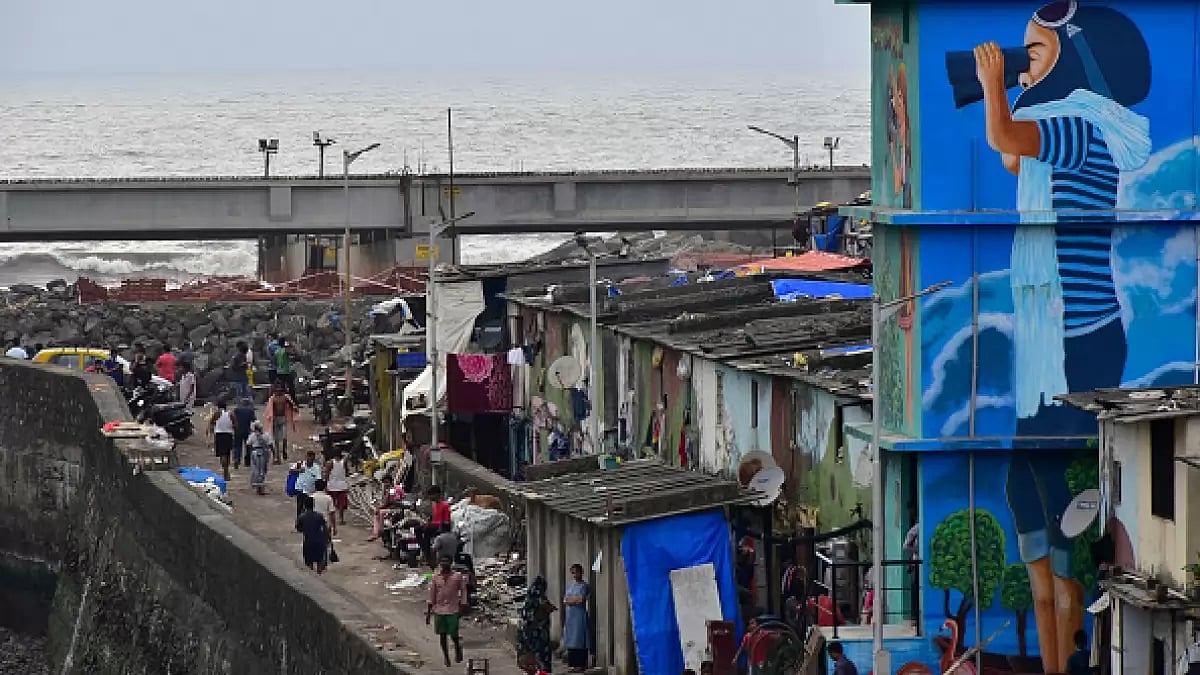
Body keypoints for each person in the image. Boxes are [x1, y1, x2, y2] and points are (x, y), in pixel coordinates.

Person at [426, 554, 467, 667]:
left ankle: (457, 648)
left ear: (451, 562)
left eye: (447, 561)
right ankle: (446, 656)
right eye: (442, 561)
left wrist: (463, 605)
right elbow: (432, 595)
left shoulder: (457, 576)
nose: (444, 563)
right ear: (440, 563)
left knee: (454, 634)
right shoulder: (436, 577)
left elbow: (463, 591)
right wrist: (429, 613)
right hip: (439, 610)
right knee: (442, 635)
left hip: (453, 609)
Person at [516, 576, 555, 673]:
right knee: (539, 653)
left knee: (530, 655)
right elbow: (549, 608)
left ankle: (532, 669)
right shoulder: (540, 599)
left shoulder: (529, 598)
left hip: (527, 633)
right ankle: (540, 670)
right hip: (538, 633)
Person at [563, 562, 591, 672]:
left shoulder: (584, 586)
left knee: (579, 639)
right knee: (571, 640)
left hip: (579, 616)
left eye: (577, 573)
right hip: (570, 616)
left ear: (581, 573)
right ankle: (573, 664)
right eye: (573, 573)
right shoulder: (570, 585)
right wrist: (573, 600)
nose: (575, 575)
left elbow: (581, 599)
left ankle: (581, 665)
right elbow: (565, 599)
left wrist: (572, 600)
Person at [295, 495, 330, 575]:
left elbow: (299, 529)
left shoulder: (302, 517)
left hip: (308, 541)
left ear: (304, 505)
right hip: (319, 540)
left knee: (309, 562)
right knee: (320, 560)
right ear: (313, 505)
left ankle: (312, 576)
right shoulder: (319, 516)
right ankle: (319, 574)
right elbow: (325, 528)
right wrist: (327, 540)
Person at [265, 383, 297, 464]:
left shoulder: (285, 397)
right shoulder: (272, 399)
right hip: (275, 419)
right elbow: (269, 410)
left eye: (280, 391)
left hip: (283, 418)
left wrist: (294, 409)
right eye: (277, 391)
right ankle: (277, 457)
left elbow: (291, 404)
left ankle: (284, 450)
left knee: (284, 437)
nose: (278, 392)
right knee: (276, 440)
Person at [369, 477, 406, 541]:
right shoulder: (396, 488)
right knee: (378, 513)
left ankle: (379, 531)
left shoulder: (392, 489)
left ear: (390, 482)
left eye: (387, 482)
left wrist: (380, 507)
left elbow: (392, 501)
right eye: (384, 483)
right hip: (397, 508)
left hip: (395, 509)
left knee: (379, 513)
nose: (386, 484)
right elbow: (403, 496)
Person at [208, 400, 235, 481]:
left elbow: (211, 424)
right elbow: (235, 425)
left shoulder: (216, 414)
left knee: (222, 454)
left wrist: (211, 433)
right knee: (227, 453)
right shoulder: (231, 414)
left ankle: (225, 470)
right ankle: (226, 470)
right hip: (228, 435)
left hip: (219, 435)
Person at [324, 448, 351, 526]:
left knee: (331, 504)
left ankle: (330, 519)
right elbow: (346, 472)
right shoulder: (344, 462)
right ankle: (341, 519)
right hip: (342, 486)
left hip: (331, 486)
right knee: (341, 504)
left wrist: (325, 484)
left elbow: (326, 474)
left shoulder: (330, 463)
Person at [247, 421, 271, 495]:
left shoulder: (252, 435)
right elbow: (270, 445)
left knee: (256, 470)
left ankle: (258, 487)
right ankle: (261, 488)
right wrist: (274, 454)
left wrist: (248, 454)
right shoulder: (266, 435)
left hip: (254, 452)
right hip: (263, 452)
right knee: (262, 470)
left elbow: (248, 444)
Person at [232, 397, 256, 469]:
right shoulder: (250, 411)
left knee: (237, 446)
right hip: (247, 430)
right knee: (248, 446)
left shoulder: (236, 410)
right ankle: (247, 461)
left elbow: (233, 419)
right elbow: (254, 420)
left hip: (238, 430)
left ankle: (237, 459)